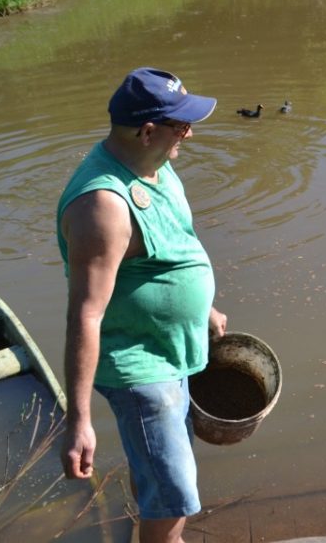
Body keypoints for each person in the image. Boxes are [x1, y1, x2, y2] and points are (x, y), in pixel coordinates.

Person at [57, 67, 227, 543]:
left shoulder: (154, 164)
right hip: (141, 369)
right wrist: (79, 422)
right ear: (147, 130)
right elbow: (84, 316)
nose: (189, 133)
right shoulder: (102, 208)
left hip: (170, 348)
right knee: (174, 498)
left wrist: (204, 309)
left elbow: (177, 242)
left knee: (155, 477)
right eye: (181, 125)